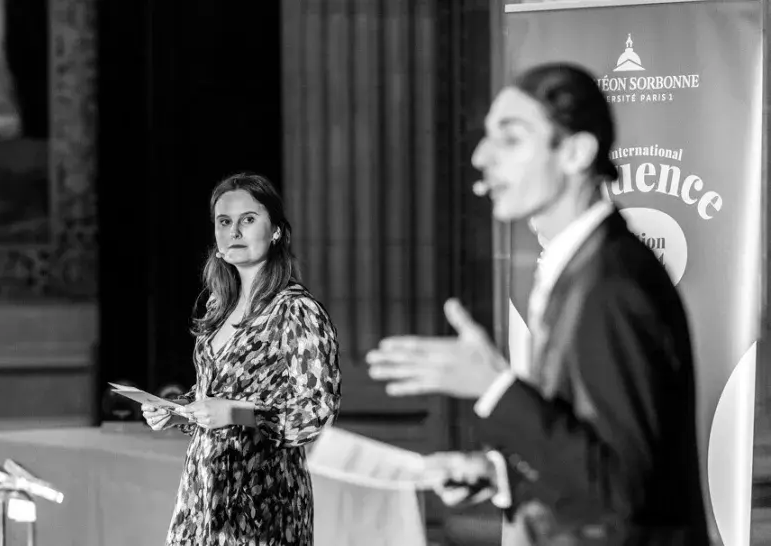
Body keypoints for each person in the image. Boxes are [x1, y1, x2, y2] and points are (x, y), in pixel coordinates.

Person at [366, 63, 708, 545]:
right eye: (487, 137)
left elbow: (620, 493)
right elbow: (589, 457)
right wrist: (498, 473)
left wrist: (495, 387)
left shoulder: (612, 284)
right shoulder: (578, 268)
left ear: (575, 152)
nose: (482, 156)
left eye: (510, 139)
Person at [141, 172, 342, 545]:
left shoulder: (296, 310)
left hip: (263, 494)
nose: (234, 231)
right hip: (203, 488)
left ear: (276, 230)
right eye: (224, 222)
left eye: (248, 219)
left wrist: (239, 413)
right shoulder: (219, 306)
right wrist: (177, 411)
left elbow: (317, 412)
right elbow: (217, 394)